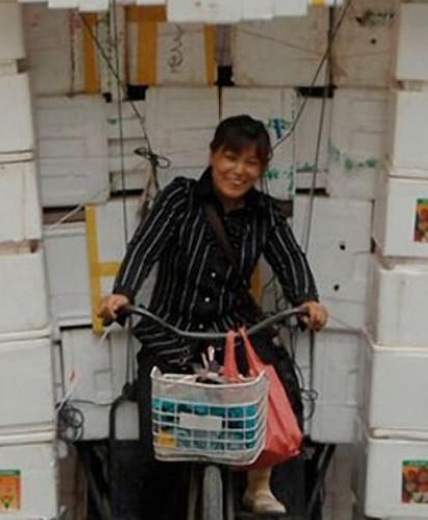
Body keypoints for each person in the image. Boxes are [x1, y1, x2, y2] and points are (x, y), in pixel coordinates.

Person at [98, 115, 328, 518]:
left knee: (278, 392)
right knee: (161, 445)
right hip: (171, 331)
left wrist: (308, 299)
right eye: (230, 157)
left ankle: (260, 489)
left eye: (251, 163)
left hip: (232, 333)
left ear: (261, 169)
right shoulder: (179, 197)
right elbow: (145, 246)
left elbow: (289, 258)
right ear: (213, 154)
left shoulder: (264, 214)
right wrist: (123, 292)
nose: (238, 171)